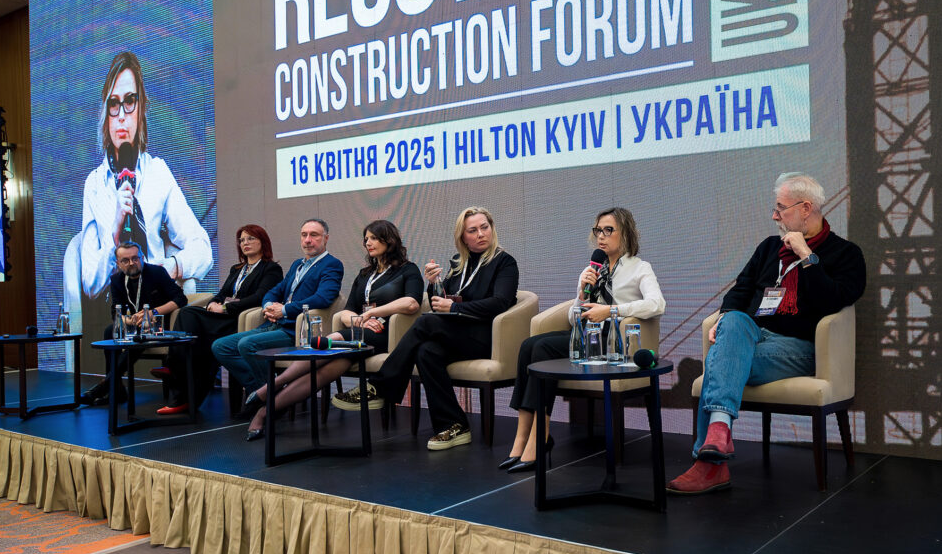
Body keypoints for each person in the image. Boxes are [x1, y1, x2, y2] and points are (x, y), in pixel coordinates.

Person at [667, 174, 866, 495]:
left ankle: (710, 465)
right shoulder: (769, 248)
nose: (774, 216)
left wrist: (807, 257)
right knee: (733, 321)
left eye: (781, 208)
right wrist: (726, 318)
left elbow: (834, 300)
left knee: (720, 360)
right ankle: (718, 434)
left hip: (799, 349)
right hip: (753, 337)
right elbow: (741, 289)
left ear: (806, 208)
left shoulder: (846, 254)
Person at [500, 208, 665, 472]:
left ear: (625, 233)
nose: (601, 236)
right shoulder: (591, 269)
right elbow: (572, 317)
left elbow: (657, 304)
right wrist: (581, 295)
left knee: (542, 347)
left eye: (608, 230)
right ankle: (522, 439)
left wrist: (611, 311)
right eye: (598, 230)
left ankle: (539, 438)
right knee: (528, 345)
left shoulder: (639, 268)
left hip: (612, 339)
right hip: (586, 335)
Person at [244, 221, 423, 440]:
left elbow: (411, 303)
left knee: (333, 339)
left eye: (374, 238)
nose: (368, 243)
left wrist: (370, 315)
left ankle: (270, 388)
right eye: (366, 239)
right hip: (360, 334)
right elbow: (346, 312)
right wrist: (360, 321)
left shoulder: (407, 270)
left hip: (390, 335)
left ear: (389, 240)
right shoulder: (365, 274)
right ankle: (264, 412)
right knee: (326, 369)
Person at [69, 51, 213, 307]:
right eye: (114, 104)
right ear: (105, 112)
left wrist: (169, 267)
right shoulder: (95, 183)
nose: (121, 115)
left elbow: (202, 249)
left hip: (155, 296)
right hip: (114, 298)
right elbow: (90, 283)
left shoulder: (157, 172)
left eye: (130, 101)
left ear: (141, 108)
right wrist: (115, 234)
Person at [370, 207, 518, 449]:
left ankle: (381, 386)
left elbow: (500, 303)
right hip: (458, 335)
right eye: (473, 230)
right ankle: (453, 425)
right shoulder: (459, 263)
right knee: (426, 352)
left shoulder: (504, 262)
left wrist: (455, 307)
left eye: (485, 227)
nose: (481, 234)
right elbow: (442, 302)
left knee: (425, 321)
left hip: (486, 337)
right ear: (463, 237)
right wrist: (433, 284)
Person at [212, 218, 344, 420]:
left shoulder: (332, 264)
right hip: (274, 324)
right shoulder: (297, 264)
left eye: (314, 235)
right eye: (304, 235)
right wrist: (268, 306)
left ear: (326, 238)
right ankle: (266, 395)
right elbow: (274, 291)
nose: (308, 240)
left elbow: (323, 298)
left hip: (295, 330)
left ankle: (268, 401)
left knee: (247, 345)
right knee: (220, 346)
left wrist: (285, 310)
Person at [155, 225, 284, 415]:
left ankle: (174, 369)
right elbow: (222, 294)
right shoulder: (237, 269)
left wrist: (224, 308)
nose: (245, 243)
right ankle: (182, 385)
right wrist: (213, 303)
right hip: (222, 319)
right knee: (189, 319)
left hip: (239, 319)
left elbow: (259, 297)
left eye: (250, 238)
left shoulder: (271, 269)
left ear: (262, 242)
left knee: (189, 317)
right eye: (242, 240)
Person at [80, 241, 185, 406]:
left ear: (142, 258)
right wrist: (129, 320)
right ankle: (117, 390)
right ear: (118, 263)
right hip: (136, 324)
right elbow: (116, 312)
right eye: (125, 260)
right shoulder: (116, 280)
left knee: (141, 333)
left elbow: (181, 298)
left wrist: (153, 312)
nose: (131, 263)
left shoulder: (157, 272)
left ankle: (106, 385)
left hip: (158, 324)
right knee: (110, 331)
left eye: (135, 258)